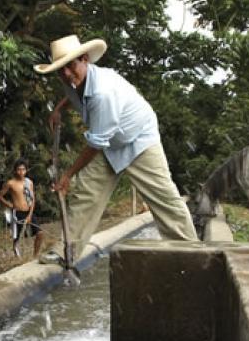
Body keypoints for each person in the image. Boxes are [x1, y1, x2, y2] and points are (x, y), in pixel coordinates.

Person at [33, 34, 197, 264]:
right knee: (85, 193)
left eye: (71, 66)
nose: (67, 74)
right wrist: (59, 109)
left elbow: (95, 144)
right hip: (110, 143)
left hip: (139, 139)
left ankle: (191, 252)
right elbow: (72, 95)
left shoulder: (103, 93)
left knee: (164, 198)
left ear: (84, 59)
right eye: (61, 70)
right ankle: (65, 253)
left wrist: (68, 175)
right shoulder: (72, 81)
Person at [0, 158, 44, 257]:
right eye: (19, 169)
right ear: (15, 170)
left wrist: (30, 215)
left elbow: (32, 199)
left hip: (29, 212)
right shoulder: (11, 183)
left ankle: (35, 256)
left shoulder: (29, 182)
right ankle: (17, 257)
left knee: (40, 233)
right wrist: (9, 205)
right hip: (17, 213)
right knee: (17, 238)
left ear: (26, 170)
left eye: (23, 169)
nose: (21, 172)